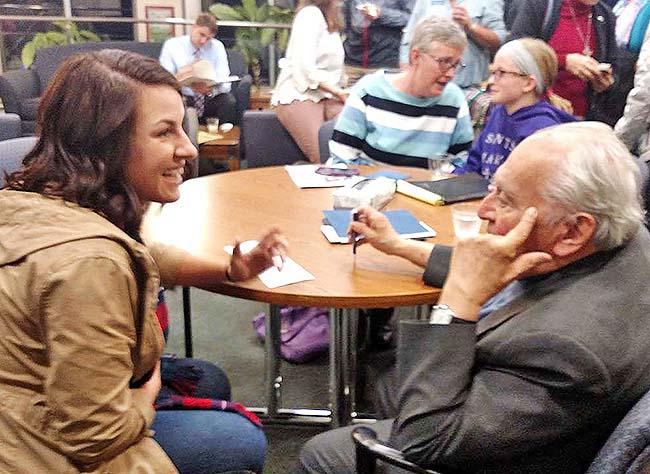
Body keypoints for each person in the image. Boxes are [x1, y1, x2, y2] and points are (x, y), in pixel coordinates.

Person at [299, 121, 650, 473]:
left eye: (505, 199)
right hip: (514, 416)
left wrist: (458, 299)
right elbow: (494, 262)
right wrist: (401, 247)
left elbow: (425, 441)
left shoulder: (569, 351)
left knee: (325, 452)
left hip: (485, 450)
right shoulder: (624, 240)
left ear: (573, 231)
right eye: (493, 188)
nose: (484, 209)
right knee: (387, 374)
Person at [0, 49, 288, 473]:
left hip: (31, 403)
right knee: (240, 441)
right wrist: (147, 392)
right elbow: (94, 436)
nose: (188, 148)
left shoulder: (42, 202)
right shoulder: (90, 262)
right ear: (105, 144)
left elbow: (148, 256)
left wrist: (230, 269)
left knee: (208, 379)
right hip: (43, 448)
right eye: (165, 133)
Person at [329, 16, 474, 167]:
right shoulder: (369, 92)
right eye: (444, 62)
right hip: (371, 186)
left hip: (431, 188)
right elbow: (342, 158)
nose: (451, 73)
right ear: (415, 56)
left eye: (455, 64)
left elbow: (462, 161)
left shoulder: (454, 99)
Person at [454, 38, 575, 180]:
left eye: (501, 73)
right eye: (492, 72)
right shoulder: (498, 112)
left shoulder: (541, 129)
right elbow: (474, 165)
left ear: (529, 83)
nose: (491, 81)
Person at [510, 0, 618, 124]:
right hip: (536, 115)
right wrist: (563, 61)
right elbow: (516, 53)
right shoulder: (540, 6)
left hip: (580, 120)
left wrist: (604, 82)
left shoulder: (605, 15)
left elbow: (614, 64)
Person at [271, 0, 347, 164]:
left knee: (350, 147)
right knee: (325, 158)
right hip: (300, 93)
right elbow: (305, 69)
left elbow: (336, 69)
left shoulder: (331, 20)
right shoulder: (309, 15)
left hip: (327, 95)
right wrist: (338, 92)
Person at [399, 0, 507, 90]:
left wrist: (470, 26)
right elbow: (410, 35)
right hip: (426, 85)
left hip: (467, 88)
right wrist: (405, 67)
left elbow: (499, 41)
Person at [159, 13, 237, 125]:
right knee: (172, 101)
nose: (203, 41)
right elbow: (164, 80)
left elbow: (225, 83)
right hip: (184, 96)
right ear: (194, 27)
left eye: (208, 38)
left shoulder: (217, 47)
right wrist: (181, 77)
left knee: (228, 101)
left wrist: (210, 91)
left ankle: (225, 138)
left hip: (208, 97)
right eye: (201, 34)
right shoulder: (172, 46)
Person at [343, 0, 414, 84]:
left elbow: (412, 19)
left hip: (385, 65)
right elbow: (344, 18)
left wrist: (381, 14)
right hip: (352, 63)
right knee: (347, 96)